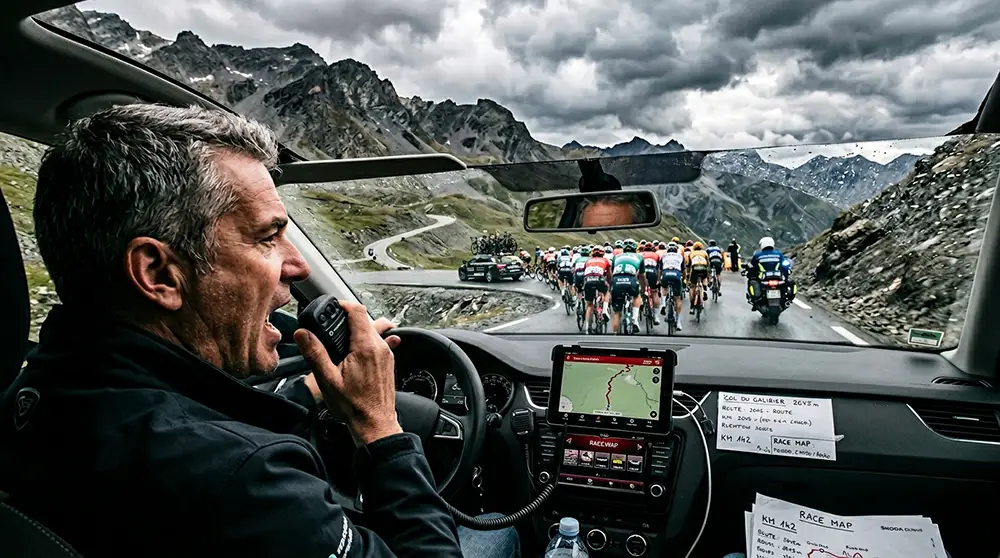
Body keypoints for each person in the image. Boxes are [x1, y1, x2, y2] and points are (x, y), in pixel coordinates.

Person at [0, 105, 518, 558]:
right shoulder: (247, 481)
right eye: (268, 237)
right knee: (501, 538)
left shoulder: (35, 391)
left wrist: (297, 393)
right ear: (158, 274)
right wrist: (381, 430)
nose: (295, 264)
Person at [745, 236, 794, 308]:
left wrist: (749, 273)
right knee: (787, 282)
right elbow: (784, 265)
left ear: (762, 244)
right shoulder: (778, 254)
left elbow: (752, 266)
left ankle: (755, 300)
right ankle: (787, 297)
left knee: (751, 282)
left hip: (763, 278)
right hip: (778, 277)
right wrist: (786, 272)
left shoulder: (757, 255)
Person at [609, 239, 646, 334]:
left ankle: (614, 336)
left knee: (617, 312)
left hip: (617, 280)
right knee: (636, 296)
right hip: (631, 279)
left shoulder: (616, 257)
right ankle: (634, 320)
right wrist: (643, 289)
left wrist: (610, 288)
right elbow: (642, 276)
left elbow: (612, 273)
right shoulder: (639, 257)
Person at [582, 246, 612, 333]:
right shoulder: (605, 260)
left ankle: (588, 327)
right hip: (599, 279)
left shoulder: (588, 261)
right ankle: (605, 310)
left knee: (589, 305)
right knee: (606, 292)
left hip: (588, 280)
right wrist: (609, 284)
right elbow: (609, 275)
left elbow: (584, 273)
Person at [659, 242, 685, 330]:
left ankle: (663, 303)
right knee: (677, 298)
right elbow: (684, 270)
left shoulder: (664, 256)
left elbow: (660, 269)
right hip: (676, 274)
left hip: (666, 273)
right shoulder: (680, 256)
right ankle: (678, 322)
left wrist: (659, 280)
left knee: (664, 288)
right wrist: (684, 279)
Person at [639, 241, 661, 325]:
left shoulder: (640, 255)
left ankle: (641, 301)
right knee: (654, 292)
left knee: (641, 290)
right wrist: (658, 280)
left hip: (643, 273)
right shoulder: (656, 255)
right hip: (653, 272)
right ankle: (656, 316)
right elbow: (659, 269)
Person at [687, 241, 710, 314]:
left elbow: (689, 265)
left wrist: (688, 275)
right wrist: (708, 274)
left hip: (695, 268)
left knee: (692, 286)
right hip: (703, 268)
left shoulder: (691, 253)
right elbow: (708, 264)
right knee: (704, 278)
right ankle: (705, 288)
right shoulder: (705, 253)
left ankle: (691, 305)